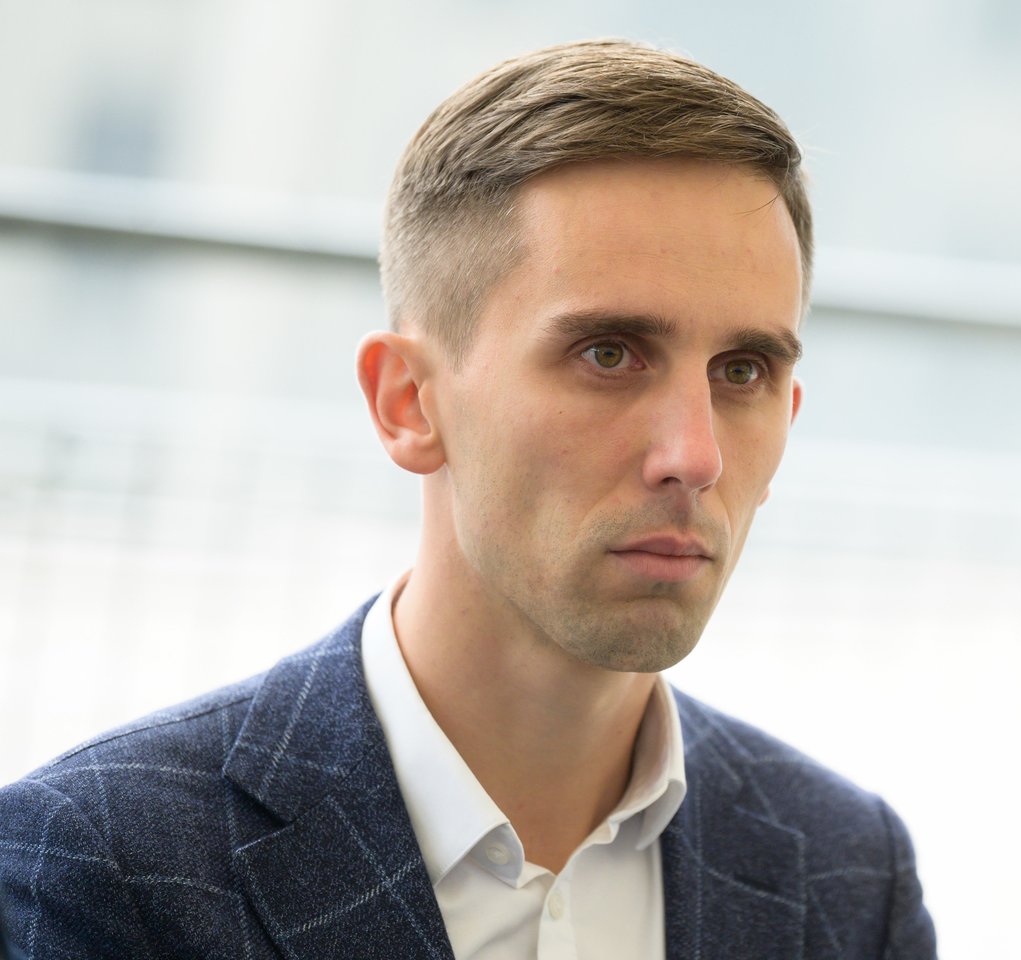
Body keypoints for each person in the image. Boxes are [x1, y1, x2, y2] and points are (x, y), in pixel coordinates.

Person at [0, 39, 936, 958]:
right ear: (408, 402)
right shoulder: (102, 870)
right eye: (608, 354)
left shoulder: (847, 878)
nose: (694, 456)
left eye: (743, 371)